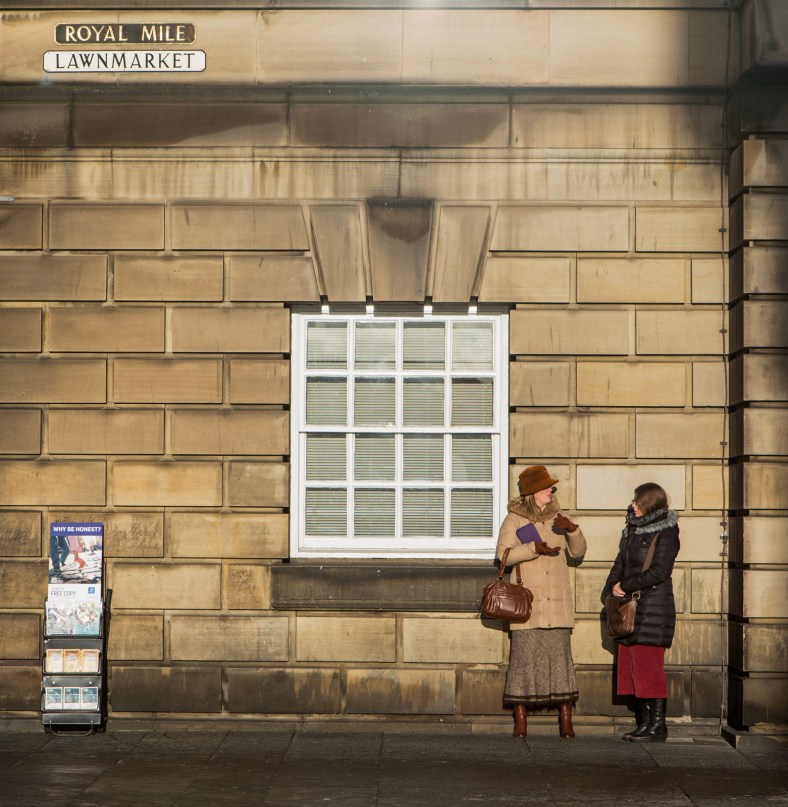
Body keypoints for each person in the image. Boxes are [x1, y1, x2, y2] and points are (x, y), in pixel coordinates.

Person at [496, 465, 586, 739]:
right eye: (547, 486)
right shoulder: (515, 519)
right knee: (523, 664)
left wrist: (572, 530)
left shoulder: (560, 517)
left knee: (561, 664)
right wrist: (533, 548)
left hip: (556, 605)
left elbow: (578, 553)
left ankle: (566, 721)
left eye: (551, 486)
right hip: (529, 606)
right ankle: (520, 721)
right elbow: (503, 556)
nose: (551, 490)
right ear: (533, 492)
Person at [605, 482, 680, 742]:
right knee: (634, 668)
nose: (633, 505)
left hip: (653, 610)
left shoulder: (667, 532)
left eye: (637, 501)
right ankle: (644, 723)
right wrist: (610, 589)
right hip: (631, 610)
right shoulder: (631, 530)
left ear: (649, 503)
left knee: (649, 669)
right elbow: (620, 563)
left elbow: (660, 571)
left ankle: (657, 726)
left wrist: (625, 585)